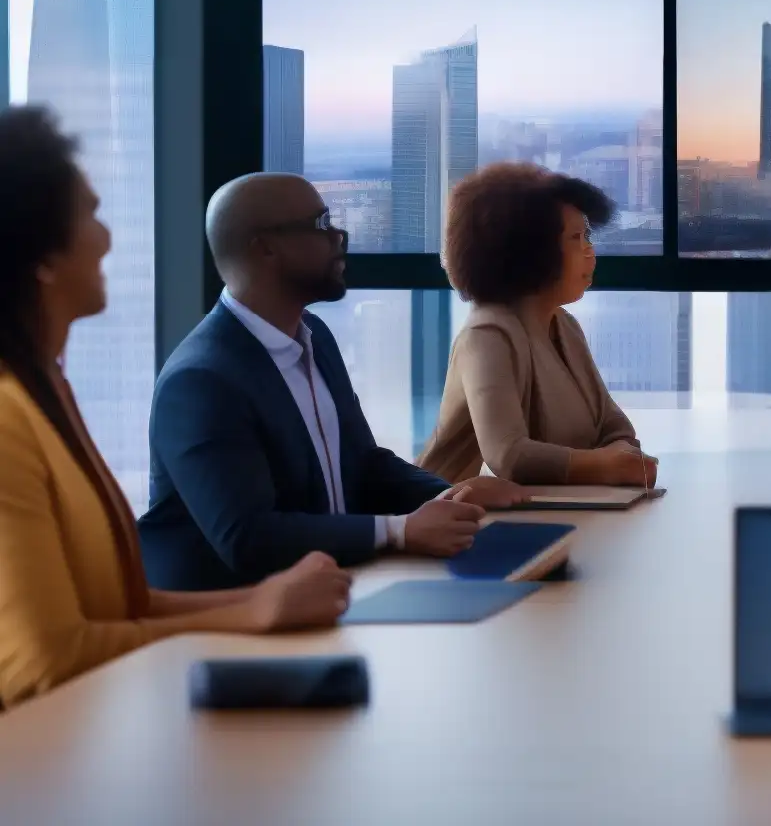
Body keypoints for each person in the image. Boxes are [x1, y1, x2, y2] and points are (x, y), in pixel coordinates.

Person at [0, 110, 350, 705]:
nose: (107, 237)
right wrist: (249, 614)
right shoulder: (9, 417)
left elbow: (121, 607)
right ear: (43, 257)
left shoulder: (47, 389)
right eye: (89, 215)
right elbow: (45, 663)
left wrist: (265, 598)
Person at [140, 174, 527, 591]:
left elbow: (363, 465)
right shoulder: (202, 382)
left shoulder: (314, 336)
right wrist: (398, 531)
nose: (339, 237)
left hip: (332, 589)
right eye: (321, 225)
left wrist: (450, 496)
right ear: (265, 248)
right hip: (233, 616)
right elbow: (248, 537)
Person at [419, 164, 654, 487]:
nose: (590, 251)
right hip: (453, 512)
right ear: (531, 251)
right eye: (575, 238)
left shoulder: (564, 325)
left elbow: (614, 427)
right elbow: (508, 455)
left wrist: (620, 457)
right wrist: (608, 466)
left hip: (556, 507)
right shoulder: (487, 336)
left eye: (587, 236)